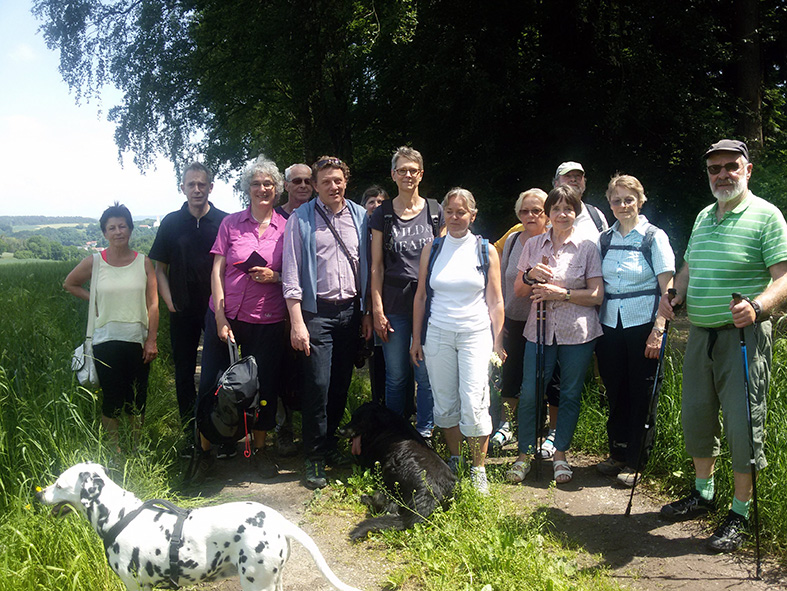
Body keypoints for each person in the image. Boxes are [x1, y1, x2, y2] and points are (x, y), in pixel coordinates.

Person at [659, 139, 787, 552]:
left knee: (742, 423)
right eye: (715, 168)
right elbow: (690, 267)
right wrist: (676, 292)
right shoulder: (702, 217)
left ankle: (739, 512)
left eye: (731, 166)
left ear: (747, 170)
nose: (723, 174)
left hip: (744, 338)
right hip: (700, 334)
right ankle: (703, 494)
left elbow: (783, 277)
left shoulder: (767, 216)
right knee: (697, 417)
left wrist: (758, 305)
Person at [192, 155, 288, 482]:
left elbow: (295, 273)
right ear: (247, 189)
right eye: (256, 184)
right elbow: (216, 271)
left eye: (268, 184)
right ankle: (204, 452)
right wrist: (219, 317)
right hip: (227, 316)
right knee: (212, 386)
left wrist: (274, 276)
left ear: (277, 189)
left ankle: (259, 451)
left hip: (268, 318)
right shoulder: (230, 224)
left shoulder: (288, 227)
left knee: (264, 387)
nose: (262, 189)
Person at [282, 156, 373, 489]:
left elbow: (366, 268)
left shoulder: (361, 217)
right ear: (315, 186)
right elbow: (290, 274)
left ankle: (330, 444)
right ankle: (314, 456)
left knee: (339, 385)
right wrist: (297, 322)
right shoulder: (300, 219)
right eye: (325, 182)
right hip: (316, 314)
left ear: (345, 181)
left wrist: (365, 312)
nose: (333, 186)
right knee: (317, 386)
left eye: (338, 180)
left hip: (350, 312)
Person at [411, 188, 505, 494]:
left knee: (474, 399)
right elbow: (421, 296)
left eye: (461, 212)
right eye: (449, 212)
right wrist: (416, 338)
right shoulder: (433, 249)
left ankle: (478, 469)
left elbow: (496, 301)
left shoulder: (485, 250)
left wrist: (498, 342)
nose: (454, 217)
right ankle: (455, 459)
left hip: (475, 333)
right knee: (445, 399)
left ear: (472, 216)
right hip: (437, 332)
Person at [507, 185, 603, 485]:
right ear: (548, 213)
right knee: (530, 392)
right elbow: (519, 291)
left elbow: (597, 295)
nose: (562, 214)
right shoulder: (533, 245)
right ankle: (523, 455)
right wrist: (530, 275)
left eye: (569, 208)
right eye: (557, 208)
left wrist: (561, 294)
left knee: (570, 394)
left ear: (576, 213)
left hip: (578, 332)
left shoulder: (588, 246)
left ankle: (560, 454)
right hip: (538, 330)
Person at [594, 175, 675, 487]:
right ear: (610, 204)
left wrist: (659, 329)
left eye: (629, 199)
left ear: (640, 201)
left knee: (642, 391)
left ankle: (636, 460)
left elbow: (667, 289)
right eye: (617, 200)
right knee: (615, 388)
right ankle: (617, 452)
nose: (623, 205)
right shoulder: (605, 239)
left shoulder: (654, 237)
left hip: (644, 322)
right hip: (609, 322)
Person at [64, 203, 159, 452]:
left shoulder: (144, 263)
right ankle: (114, 453)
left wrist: (152, 340)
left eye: (122, 226)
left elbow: (153, 304)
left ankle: (137, 449)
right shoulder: (95, 262)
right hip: (104, 342)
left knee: (137, 400)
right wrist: (94, 299)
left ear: (130, 229)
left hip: (138, 341)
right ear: (104, 232)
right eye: (112, 227)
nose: (118, 232)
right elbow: (70, 284)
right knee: (112, 400)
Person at [148, 162, 226, 452]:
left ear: (210, 188)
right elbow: (159, 268)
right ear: (182, 187)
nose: (196, 189)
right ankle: (188, 429)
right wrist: (169, 301)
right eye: (191, 184)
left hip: (216, 310)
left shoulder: (224, 221)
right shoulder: (170, 222)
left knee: (218, 371)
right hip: (181, 309)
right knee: (183, 371)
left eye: (201, 184)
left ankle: (218, 427)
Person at [371, 147, 443, 439]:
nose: (408, 175)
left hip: (429, 304)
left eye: (413, 170)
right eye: (402, 170)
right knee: (397, 375)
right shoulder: (382, 214)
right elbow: (376, 266)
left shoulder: (436, 211)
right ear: (393, 174)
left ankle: (424, 433)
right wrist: (376, 309)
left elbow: (442, 259)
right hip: (394, 303)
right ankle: (393, 434)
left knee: (425, 375)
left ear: (421, 174)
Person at [491, 188, 548, 450]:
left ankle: (541, 427)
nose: (530, 215)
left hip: (545, 322)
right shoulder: (512, 240)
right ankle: (506, 426)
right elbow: (499, 280)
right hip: (513, 318)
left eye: (537, 210)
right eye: (525, 211)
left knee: (541, 376)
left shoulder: (554, 240)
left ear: (547, 213)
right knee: (510, 376)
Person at [272, 163, 313, 458]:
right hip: (275, 309)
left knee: (311, 371)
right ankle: (283, 428)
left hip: (313, 308)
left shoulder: (318, 214)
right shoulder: (275, 219)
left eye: (308, 181)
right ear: (285, 185)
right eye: (296, 181)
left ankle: (313, 429)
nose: (303, 185)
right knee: (280, 370)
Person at [493, 161, 608, 255]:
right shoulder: (541, 214)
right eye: (567, 176)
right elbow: (497, 250)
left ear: (584, 182)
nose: (573, 179)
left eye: (578, 176)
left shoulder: (596, 216)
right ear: (556, 183)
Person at [361, 185, 389, 404]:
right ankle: (378, 403)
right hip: (367, 305)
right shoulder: (358, 235)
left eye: (381, 202)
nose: (376, 205)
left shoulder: (394, 233)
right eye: (372, 201)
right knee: (376, 359)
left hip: (393, 301)